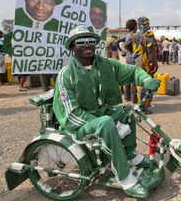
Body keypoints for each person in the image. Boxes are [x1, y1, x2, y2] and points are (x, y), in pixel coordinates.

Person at [53, 25, 160, 198]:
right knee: (106, 122)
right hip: (78, 126)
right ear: (72, 46)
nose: (87, 44)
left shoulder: (106, 65)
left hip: (101, 115)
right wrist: (104, 123)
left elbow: (132, 71)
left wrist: (146, 79)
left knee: (127, 110)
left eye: (91, 41)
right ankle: (124, 176)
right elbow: (70, 115)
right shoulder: (67, 75)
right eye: (81, 41)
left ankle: (129, 154)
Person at [133, 16, 158, 114]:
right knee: (148, 83)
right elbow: (151, 52)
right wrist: (155, 64)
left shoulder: (136, 35)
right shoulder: (148, 36)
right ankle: (143, 107)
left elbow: (128, 45)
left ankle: (141, 104)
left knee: (140, 82)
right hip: (146, 62)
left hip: (138, 61)